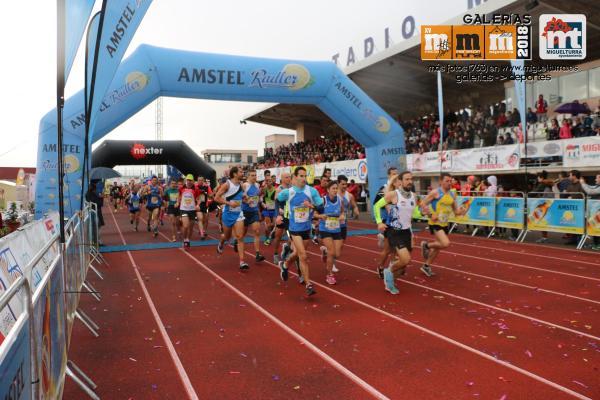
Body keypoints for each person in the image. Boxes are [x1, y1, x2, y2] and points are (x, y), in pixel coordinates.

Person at [277, 167, 324, 296]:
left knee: (297, 254)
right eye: (301, 176)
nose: (304, 178)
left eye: (305, 176)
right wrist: (278, 214)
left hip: (306, 228)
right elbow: (278, 200)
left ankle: (285, 264)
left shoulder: (312, 191)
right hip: (294, 228)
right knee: (303, 256)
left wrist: (312, 206)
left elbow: (321, 206)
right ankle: (308, 284)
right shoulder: (288, 192)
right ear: (295, 177)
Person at [419, 173, 467, 277]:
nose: (449, 183)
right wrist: (431, 214)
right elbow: (422, 204)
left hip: (445, 223)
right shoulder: (435, 192)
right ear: (440, 181)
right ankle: (426, 245)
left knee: (438, 247)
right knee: (445, 243)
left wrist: (464, 210)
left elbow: (456, 212)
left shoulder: (452, 194)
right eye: (447, 181)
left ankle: (426, 266)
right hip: (435, 222)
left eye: (451, 181)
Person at [380, 171, 418, 294]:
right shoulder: (393, 194)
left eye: (411, 179)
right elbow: (376, 206)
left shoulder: (413, 196)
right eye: (407, 179)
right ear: (400, 181)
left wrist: (424, 212)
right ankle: (388, 271)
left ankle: (389, 281)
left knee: (402, 268)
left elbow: (412, 215)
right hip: (395, 231)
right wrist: (379, 222)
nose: (410, 181)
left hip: (407, 231)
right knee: (405, 259)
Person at [215, 167, 249, 270]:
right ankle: (221, 243)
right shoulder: (227, 185)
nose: (242, 173)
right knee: (227, 236)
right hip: (228, 213)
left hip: (239, 213)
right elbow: (216, 198)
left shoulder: (242, 185)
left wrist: (247, 199)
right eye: (240, 172)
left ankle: (242, 262)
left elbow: (243, 197)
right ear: (234, 174)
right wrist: (229, 203)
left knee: (240, 236)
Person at [317, 181, 345, 285]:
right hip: (325, 229)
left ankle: (325, 251)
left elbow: (342, 211)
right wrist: (320, 216)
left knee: (337, 254)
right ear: (328, 190)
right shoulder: (322, 201)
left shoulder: (340, 200)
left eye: (336, 188)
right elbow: (314, 213)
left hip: (336, 229)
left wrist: (342, 216)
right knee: (332, 252)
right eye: (333, 188)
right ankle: (329, 275)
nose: (335, 190)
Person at [240, 170, 266, 262]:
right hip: (245, 212)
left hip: (254, 211)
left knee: (257, 231)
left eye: (255, 175)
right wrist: (247, 201)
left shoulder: (257, 185)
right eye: (252, 175)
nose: (254, 177)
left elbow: (258, 197)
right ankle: (237, 242)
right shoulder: (245, 185)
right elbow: (241, 198)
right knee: (243, 233)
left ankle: (258, 254)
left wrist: (262, 203)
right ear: (248, 176)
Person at [373, 167, 398, 249]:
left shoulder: (398, 188)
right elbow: (375, 203)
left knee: (395, 245)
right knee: (390, 246)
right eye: (393, 174)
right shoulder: (383, 188)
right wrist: (386, 205)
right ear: (389, 176)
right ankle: (382, 236)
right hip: (386, 219)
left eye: (396, 174)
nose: (395, 176)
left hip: (397, 220)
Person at [272, 172, 292, 264]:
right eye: (286, 177)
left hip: (290, 216)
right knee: (278, 236)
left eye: (289, 177)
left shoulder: (292, 188)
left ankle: (286, 248)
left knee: (291, 237)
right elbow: (276, 204)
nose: (288, 179)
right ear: (282, 179)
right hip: (282, 216)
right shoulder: (279, 189)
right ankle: (275, 254)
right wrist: (278, 216)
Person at [177, 175, 201, 248]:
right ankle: (184, 239)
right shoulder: (181, 188)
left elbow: (199, 198)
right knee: (186, 225)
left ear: (193, 181)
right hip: (184, 209)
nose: (189, 182)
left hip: (192, 210)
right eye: (188, 180)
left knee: (191, 227)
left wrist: (198, 205)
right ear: (186, 181)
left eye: (190, 180)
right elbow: (178, 196)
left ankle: (188, 239)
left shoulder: (196, 189)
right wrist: (177, 202)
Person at [580, 174, 600, 250]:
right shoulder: (597, 186)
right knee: (593, 226)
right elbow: (591, 187)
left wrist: (582, 183)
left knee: (597, 226)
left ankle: (598, 244)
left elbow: (590, 191)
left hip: (598, 211)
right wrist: (584, 183)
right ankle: (595, 243)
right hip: (595, 211)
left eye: (597, 178)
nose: (595, 180)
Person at [261, 176, 277, 245]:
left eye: (270, 181)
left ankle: (271, 236)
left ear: (272, 182)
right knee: (268, 226)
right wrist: (262, 203)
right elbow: (260, 197)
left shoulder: (276, 190)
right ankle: (267, 238)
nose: (268, 182)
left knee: (273, 225)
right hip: (266, 210)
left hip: (274, 210)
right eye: (267, 181)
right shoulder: (264, 189)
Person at [195, 176, 212, 240]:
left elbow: (210, 195)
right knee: (200, 218)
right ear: (197, 180)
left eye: (201, 180)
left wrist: (208, 193)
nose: (200, 181)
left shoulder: (207, 187)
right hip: (198, 205)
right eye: (199, 180)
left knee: (206, 219)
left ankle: (203, 230)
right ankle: (202, 234)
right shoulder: (195, 186)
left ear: (203, 180)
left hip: (205, 205)